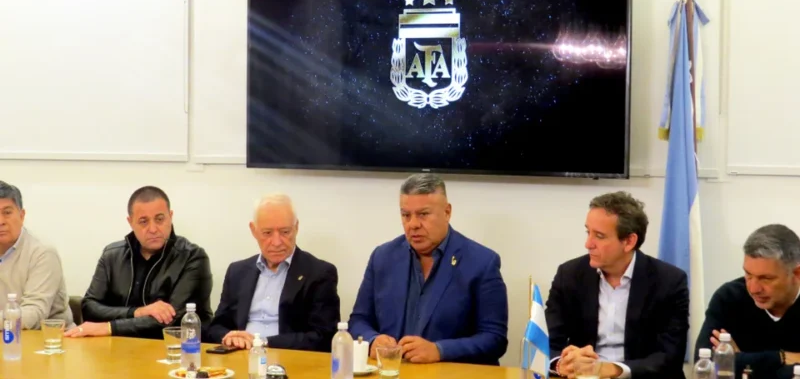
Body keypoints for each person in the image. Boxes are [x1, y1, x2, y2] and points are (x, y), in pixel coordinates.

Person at [348, 174, 508, 365]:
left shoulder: (482, 262)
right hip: (391, 371)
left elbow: (495, 339)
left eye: (423, 214)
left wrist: (440, 350)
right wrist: (373, 339)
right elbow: (358, 321)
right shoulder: (382, 257)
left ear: (447, 212)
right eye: (406, 215)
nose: (413, 224)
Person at [545, 191, 689, 379]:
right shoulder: (569, 275)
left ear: (629, 241)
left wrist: (613, 369)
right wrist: (561, 363)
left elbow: (669, 357)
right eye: (588, 232)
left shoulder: (669, 281)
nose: (588, 244)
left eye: (599, 236)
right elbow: (547, 341)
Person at [65, 186, 213, 339]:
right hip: (118, 347)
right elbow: (89, 308)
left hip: (177, 348)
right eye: (143, 221)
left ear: (170, 216)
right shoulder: (112, 255)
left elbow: (173, 320)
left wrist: (110, 327)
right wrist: (137, 312)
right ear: (130, 222)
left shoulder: (193, 257)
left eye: (159, 219)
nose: (153, 229)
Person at [206, 194, 340, 352]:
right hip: (239, 355)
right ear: (254, 230)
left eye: (285, 232)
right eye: (267, 233)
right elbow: (216, 327)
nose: (276, 242)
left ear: (296, 227)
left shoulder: (319, 273)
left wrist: (262, 342)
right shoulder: (237, 272)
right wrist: (230, 337)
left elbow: (324, 336)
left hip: (287, 358)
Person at [695, 224, 800, 379]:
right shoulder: (729, 298)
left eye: (766, 278)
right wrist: (781, 357)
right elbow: (706, 365)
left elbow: (726, 367)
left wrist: (739, 360)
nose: (753, 288)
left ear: (796, 273)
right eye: (748, 275)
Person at [0, 181, 74, 329]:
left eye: (7, 213)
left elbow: (33, 315)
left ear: (22, 216)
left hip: (48, 338)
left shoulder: (42, 252)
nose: (1, 221)